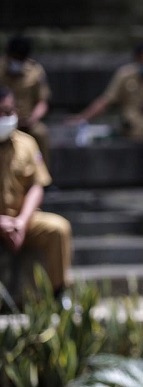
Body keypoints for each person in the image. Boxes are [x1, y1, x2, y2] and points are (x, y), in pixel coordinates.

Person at [68, 42, 143, 185]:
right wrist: (82, 117)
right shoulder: (125, 75)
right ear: (137, 59)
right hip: (135, 125)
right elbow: (106, 101)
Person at [0, 87, 71, 294]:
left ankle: (58, 294)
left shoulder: (27, 143)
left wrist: (21, 222)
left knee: (58, 229)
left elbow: (36, 186)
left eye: (8, 112)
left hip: (20, 219)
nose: (5, 118)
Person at [0, 35, 52, 168]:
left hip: (27, 122)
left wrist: (32, 119)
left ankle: (43, 177)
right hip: (3, 120)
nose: (17, 62)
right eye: (14, 58)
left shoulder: (35, 72)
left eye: (20, 59)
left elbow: (42, 102)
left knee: (41, 133)